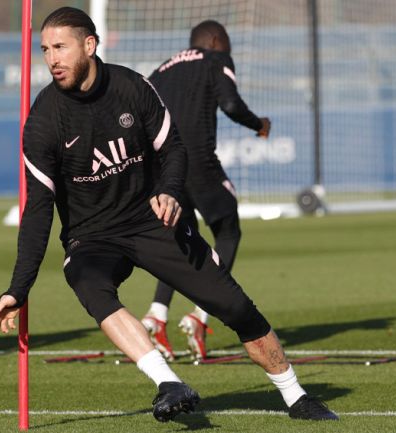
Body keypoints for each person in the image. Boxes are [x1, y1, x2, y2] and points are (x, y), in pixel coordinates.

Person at [0, 7, 337, 422]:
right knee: (87, 281)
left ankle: (297, 396)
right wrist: (18, 288)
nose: (51, 59)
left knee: (237, 308)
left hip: (151, 220)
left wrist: (171, 192)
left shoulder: (132, 87)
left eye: (60, 47)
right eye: (45, 49)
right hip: (92, 234)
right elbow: (38, 211)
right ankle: (168, 382)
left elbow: (173, 148)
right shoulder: (43, 120)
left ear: (89, 45)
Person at [140, 20, 271, 361]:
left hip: (162, 169)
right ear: (215, 41)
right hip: (197, 161)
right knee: (228, 232)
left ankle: (156, 314)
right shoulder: (215, 60)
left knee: (182, 238)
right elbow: (230, 104)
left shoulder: (161, 71)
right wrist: (259, 124)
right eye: (226, 45)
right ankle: (200, 314)